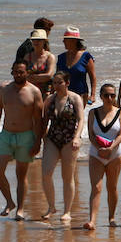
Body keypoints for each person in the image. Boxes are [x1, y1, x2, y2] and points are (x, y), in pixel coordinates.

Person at [0, 61, 43, 219]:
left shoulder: (34, 92)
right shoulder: (4, 89)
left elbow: (39, 120)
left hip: (26, 135)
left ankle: (20, 209)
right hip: (6, 134)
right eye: (16, 72)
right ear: (12, 72)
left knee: (21, 174)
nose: (18, 75)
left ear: (27, 73)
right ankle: (9, 202)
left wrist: (38, 141)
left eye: (21, 72)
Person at [39, 71, 83, 222]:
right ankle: (51, 207)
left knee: (67, 176)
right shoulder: (49, 99)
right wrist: (40, 138)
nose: (56, 85)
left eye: (60, 82)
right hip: (52, 138)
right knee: (46, 173)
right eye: (54, 83)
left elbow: (81, 119)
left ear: (67, 83)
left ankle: (67, 211)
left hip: (70, 139)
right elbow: (44, 121)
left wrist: (77, 137)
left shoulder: (75, 98)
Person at [83, 83, 121, 231]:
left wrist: (111, 148)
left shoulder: (120, 113)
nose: (109, 98)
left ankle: (111, 218)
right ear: (100, 96)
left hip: (114, 154)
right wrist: (99, 148)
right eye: (106, 95)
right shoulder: (92, 113)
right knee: (96, 187)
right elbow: (90, 134)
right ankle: (92, 220)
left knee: (112, 187)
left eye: (112, 95)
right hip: (96, 153)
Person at [55, 26, 96, 106]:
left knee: (77, 117)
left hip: (81, 94)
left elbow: (93, 77)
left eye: (65, 39)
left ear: (74, 41)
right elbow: (56, 77)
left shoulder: (86, 56)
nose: (63, 41)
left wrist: (93, 95)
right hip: (63, 95)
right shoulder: (61, 57)